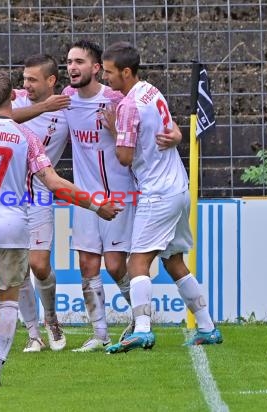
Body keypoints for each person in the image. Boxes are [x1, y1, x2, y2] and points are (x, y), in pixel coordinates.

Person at [0, 70, 121, 387]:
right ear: (12, 97)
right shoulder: (26, 138)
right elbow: (54, 183)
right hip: (13, 227)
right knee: (9, 301)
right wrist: (95, 204)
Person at [101, 41, 223, 353]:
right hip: (178, 187)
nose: (106, 79)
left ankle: (142, 329)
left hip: (156, 194)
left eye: (109, 73)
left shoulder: (128, 107)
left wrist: (115, 129)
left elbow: (125, 157)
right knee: (173, 261)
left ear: (126, 72)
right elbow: (171, 129)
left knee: (137, 262)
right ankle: (207, 327)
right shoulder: (150, 91)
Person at [62, 40, 183, 352]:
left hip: (120, 195)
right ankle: (99, 334)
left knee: (117, 266)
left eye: (79, 61)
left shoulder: (118, 97)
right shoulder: (65, 99)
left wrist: (178, 134)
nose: (72, 67)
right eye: (69, 62)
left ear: (97, 68)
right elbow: (32, 104)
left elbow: (160, 120)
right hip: (87, 197)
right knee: (87, 265)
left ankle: (140, 318)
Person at [12, 54, 70, 352]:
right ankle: (32, 333)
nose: (27, 85)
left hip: (40, 193)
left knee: (39, 264)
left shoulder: (67, 107)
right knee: (18, 267)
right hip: (9, 196)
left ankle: (51, 317)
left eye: (33, 79)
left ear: (51, 81)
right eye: (25, 79)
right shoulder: (17, 101)